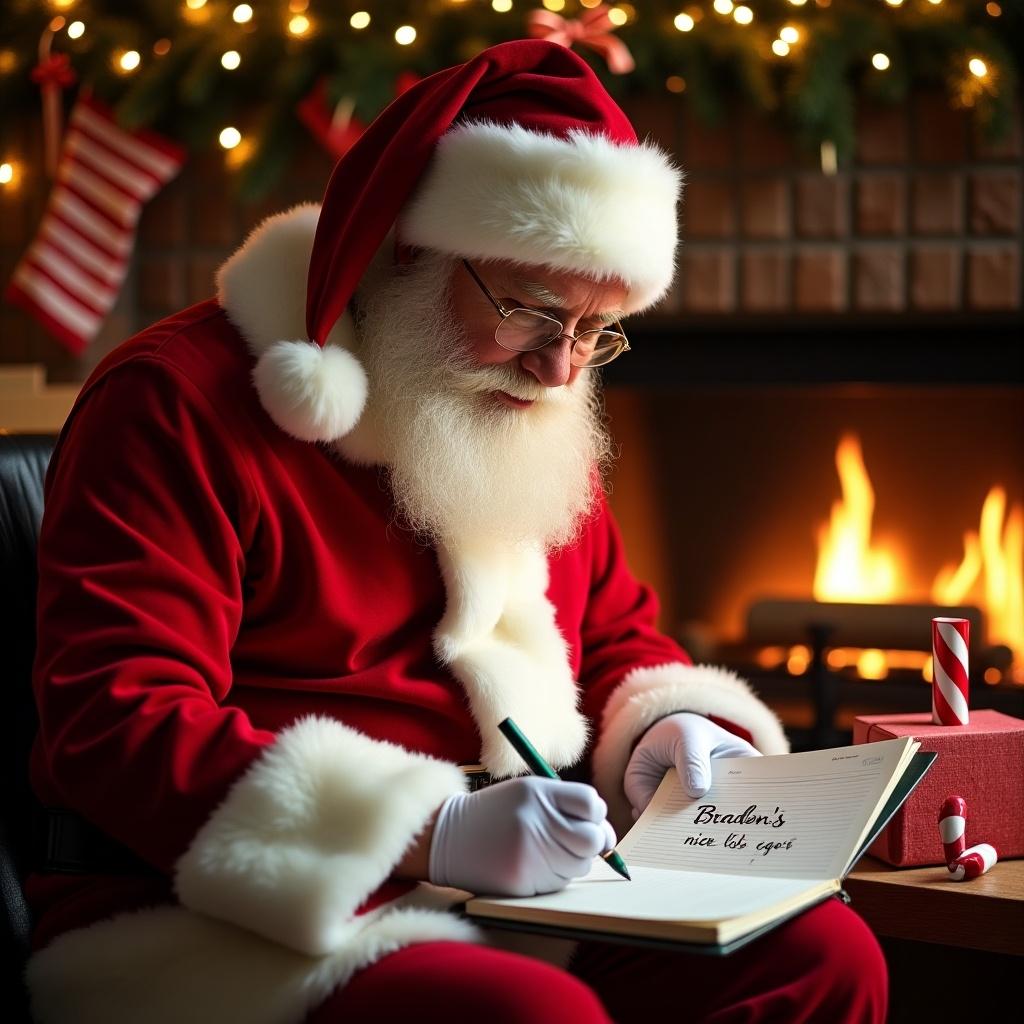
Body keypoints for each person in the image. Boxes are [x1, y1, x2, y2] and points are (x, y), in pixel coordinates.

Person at [25, 39, 887, 1024]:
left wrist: (667, 726)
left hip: (514, 891)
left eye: (598, 329)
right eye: (530, 310)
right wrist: (428, 828)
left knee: (819, 955)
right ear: (404, 246)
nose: (562, 372)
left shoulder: (524, 406)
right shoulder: (174, 400)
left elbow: (608, 634)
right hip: (229, 917)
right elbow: (116, 715)